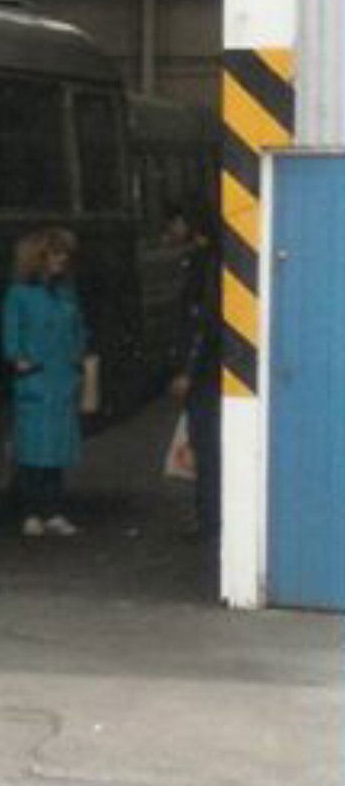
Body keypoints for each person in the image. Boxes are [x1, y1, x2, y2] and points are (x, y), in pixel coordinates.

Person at [1, 226, 89, 537]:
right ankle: (31, 511)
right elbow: (11, 335)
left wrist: (78, 357)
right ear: (39, 258)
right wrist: (20, 359)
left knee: (56, 451)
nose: (61, 260)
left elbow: (79, 329)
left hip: (61, 378)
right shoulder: (20, 294)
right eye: (55, 254)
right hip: (37, 378)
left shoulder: (67, 292)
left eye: (64, 254)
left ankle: (53, 510)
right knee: (33, 451)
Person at [168, 205, 222, 540]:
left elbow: (201, 324)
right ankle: (210, 517)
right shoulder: (216, 259)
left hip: (203, 374)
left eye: (173, 220)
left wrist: (186, 370)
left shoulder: (202, 264)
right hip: (212, 370)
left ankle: (210, 519)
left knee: (206, 445)